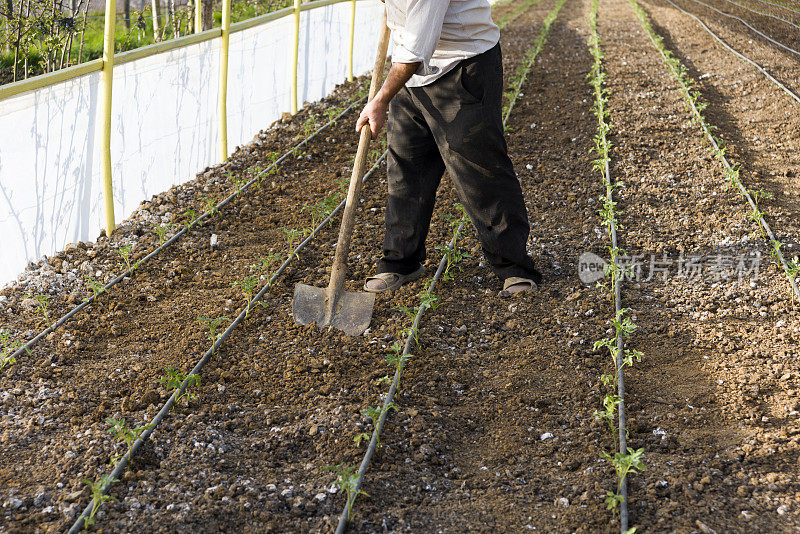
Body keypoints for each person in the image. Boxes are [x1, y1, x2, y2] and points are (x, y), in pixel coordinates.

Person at [356, 0, 542, 296]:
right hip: (411, 74)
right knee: (406, 169)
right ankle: (401, 261)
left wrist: (379, 100)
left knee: (478, 172)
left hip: (462, 65)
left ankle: (514, 266)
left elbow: (416, 52)